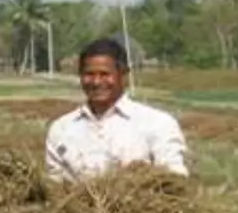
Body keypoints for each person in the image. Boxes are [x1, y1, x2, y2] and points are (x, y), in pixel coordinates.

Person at [45, 38, 189, 182]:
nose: (96, 82)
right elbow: (54, 187)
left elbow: (174, 182)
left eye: (105, 74)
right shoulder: (61, 129)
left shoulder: (157, 124)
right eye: (89, 74)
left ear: (124, 75)